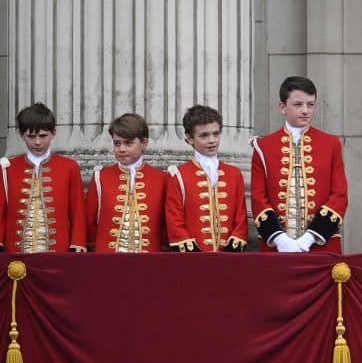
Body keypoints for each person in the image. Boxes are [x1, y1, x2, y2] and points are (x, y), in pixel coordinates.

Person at [251, 77, 348, 253]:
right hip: (276, 249)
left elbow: (340, 195)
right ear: (282, 107)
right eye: (298, 104)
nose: (305, 111)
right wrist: (279, 239)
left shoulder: (331, 143)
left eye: (310, 104)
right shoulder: (263, 147)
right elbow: (258, 198)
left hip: (322, 245)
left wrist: (311, 237)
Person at [0, 103, 87, 253]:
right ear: (21, 135)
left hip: (58, 251)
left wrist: (78, 242)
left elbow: (77, 209)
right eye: (31, 136)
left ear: (53, 133)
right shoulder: (7, 168)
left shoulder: (69, 167)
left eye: (43, 135)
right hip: (15, 253)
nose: (37, 142)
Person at [165, 105, 249, 252]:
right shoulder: (178, 175)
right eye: (204, 135)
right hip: (193, 259)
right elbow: (174, 220)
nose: (212, 140)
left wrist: (235, 241)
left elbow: (240, 216)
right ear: (190, 138)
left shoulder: (234, 174)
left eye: (216, 134)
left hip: (229, 258)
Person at [86, 113, 168, 252]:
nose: (121, 149)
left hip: (150, 263)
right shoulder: (101, 177)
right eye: (117, 143)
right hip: (107, 262)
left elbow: (166, 227)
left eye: (128, 143)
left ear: (144, 143)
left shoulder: (161, 179)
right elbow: (89, 223)